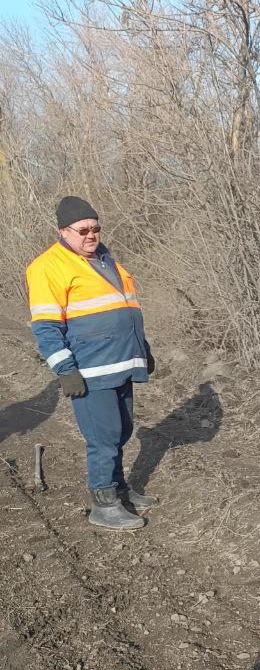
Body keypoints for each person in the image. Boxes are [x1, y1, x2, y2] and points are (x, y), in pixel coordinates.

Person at [25, 196, 157, 531]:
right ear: (63, 231)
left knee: (123, 430)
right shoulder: (47, 267)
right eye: (83, 229)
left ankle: (120, 490)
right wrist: (65, 370)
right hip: (90, 369)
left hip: (122, 362)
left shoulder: (104, 259)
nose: (91, 234)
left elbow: (126, 308)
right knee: (104, 437)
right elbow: (46, 326)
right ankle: (103, 504)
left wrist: (144, 349)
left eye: (96, 228)